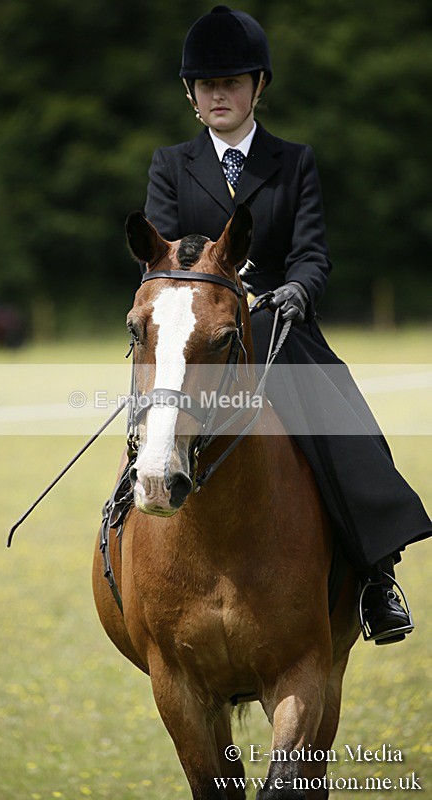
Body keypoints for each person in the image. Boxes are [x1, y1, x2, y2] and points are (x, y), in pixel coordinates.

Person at [143, 5, 431, 644]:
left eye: (232, 82)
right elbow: (163, 255)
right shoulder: (170, 164)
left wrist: (298, 288)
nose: (219, 94)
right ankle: (122, 531)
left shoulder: (294, 162)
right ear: (191, 94)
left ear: (258, 86)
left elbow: (312, 253)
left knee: (343, 425)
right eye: (207, 84)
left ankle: (376, 576)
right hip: (201, 329)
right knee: (150, 406)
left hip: (279, 325)